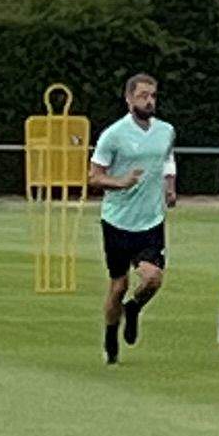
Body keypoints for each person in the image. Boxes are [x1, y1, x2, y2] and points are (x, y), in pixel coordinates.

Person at [86, 68, 175, 362]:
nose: (149, 101)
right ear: (128, 99)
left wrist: (169, 187)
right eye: (143, 96)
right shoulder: (113, 135)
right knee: (119, 284)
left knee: (152, 279)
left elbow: (167, 158)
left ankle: (134, 308)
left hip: (150, 220)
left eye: (153, 96)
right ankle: (111, 335)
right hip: (118, 221)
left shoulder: (165, 131)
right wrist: (120, 182)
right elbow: (94, 177)